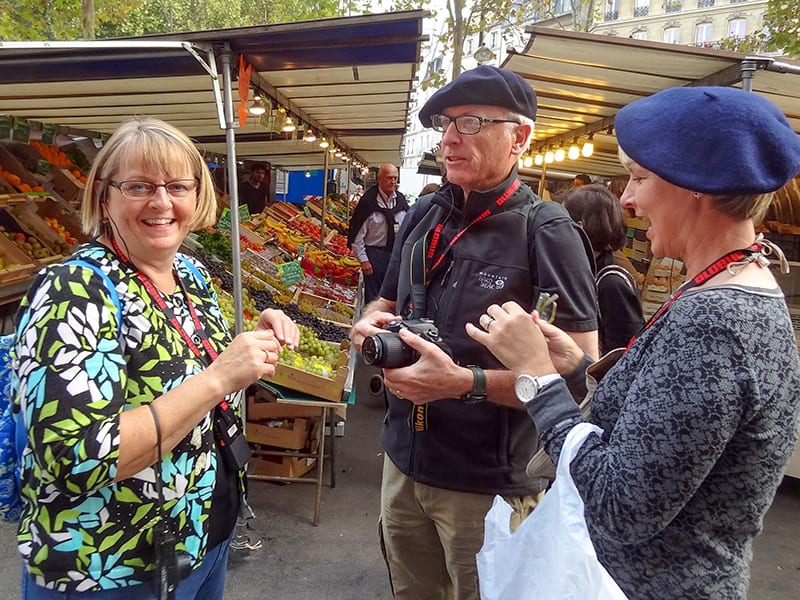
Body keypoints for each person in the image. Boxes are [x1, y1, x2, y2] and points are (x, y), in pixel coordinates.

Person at [467, 86, 800, 599]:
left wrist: (538, 376)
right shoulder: (727, 292)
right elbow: (659, 436)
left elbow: (618, 504)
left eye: (640, 178)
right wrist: (578, 369)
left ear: (697, 187)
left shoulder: (717, 322)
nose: (627, 198)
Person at [12, 117, 300, 599]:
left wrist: (254, 337)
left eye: (177, 186)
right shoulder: (73, 292)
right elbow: (74, 459)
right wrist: (218, 379)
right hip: (111, 565)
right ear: (105, 197)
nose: (162, 202)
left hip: (200, 534)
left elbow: (187, 362)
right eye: (139, 185)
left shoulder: (190, 271)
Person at [349, 65, 599, 600]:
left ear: (519, 137)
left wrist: (465, 382)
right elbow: (385, 301)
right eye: (445, 124)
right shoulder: (425, 214)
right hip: (403, 461)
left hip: (487, 485)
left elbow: (583, 377)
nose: (449, 139)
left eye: (470, 122)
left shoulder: (546, 229)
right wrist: (367, 323)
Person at [563, 184, 644, 354]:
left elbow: (626, 352)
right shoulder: (585, 271)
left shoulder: (611, 282)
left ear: (581, 227)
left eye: (563, 222)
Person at [347, 164, 409, 304]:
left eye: (395, 178)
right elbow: (357, 236)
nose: (393, 181)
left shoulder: (401, 201)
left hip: (395, 256)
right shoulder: (368, 203)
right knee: (374, 298)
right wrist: (363, 260)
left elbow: (407, 230)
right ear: (379, 179)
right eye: (389, 178)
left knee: (392, 297)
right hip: (374, 257)